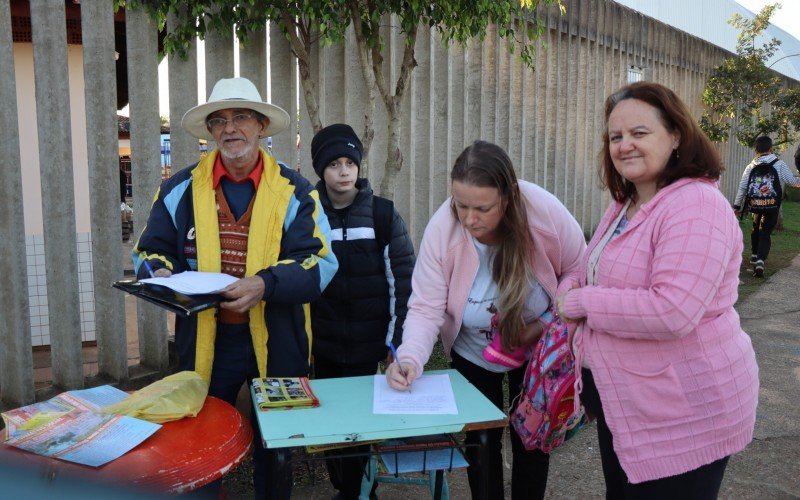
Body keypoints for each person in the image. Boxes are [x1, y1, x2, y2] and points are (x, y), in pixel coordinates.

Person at [132, 77, 338, 499]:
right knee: (199, 440)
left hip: (279, 336)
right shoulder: (180, 188)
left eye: (241, 116)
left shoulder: (295, 192)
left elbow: (320, 262)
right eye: (220, 120)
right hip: (207, 339)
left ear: (261, 125)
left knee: (278, 440)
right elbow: (149, 249)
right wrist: (159, 271)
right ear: (210, 132)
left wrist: (265, 284)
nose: (230, 128)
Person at [557, 81, 759, 499]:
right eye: (616, 137)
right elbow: (591, 266)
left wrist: (578, 301)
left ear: (676, 136)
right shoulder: (625, 202)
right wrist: (571, 283)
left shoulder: (696, 206)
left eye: (639, 133)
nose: (624, 145)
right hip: (631, 406)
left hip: (686, 414)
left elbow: (672, 310)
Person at [386, 140, 586, 499]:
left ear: (508, 198)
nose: (468, 218)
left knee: (532, 439)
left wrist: (543, 325)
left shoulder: (542, 212)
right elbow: (426, 306)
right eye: (460, 205)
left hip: (538, 351)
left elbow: (579, 268)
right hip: (474, 350)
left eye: (482, 208)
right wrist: (411, 358)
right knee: (481, 441)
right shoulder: (441, 230)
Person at [308, 123, 416, 499]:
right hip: (322, 344)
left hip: (367, 345)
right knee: (330, 422)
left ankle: (358, 490)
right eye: (334, 164)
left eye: (349, 163)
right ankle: (343, 485)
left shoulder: (383, 215)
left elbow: (403, 282)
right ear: (320, 169)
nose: (343, 171)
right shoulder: (307, 216)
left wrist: (396, 342)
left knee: (359, 424)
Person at [733, 136, 800, 277]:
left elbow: (743, 187)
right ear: (771, 149)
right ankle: (760, 261)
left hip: (755, 204)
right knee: (766, 232)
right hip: (772, 205)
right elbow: (792, 181)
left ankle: (754, 254)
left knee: (755, 227)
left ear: (756, 150)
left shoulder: (751, 166)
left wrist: (736, 206)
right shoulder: (779, 163)